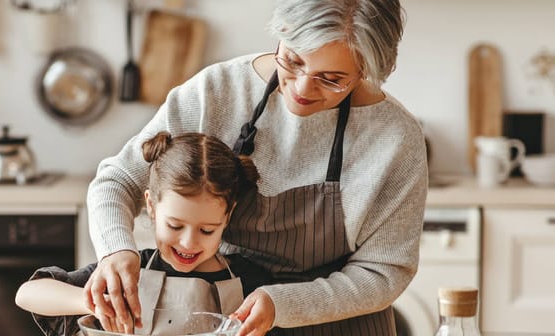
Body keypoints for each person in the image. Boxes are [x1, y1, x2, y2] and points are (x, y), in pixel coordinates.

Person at [83, 1, 428, 335]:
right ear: (281, 32)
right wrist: (115, 249)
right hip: (227, 319)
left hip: (343, 326)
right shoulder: (217, 92)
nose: (302, 88)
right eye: (292, 60)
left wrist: (282, 303)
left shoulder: (395, 138)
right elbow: (118, 180)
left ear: (367, 70)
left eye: (332, 78)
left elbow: (384, 273)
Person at [15, 131, 266, 336]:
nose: (189, 242)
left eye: (207, 230)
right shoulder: (130, 274)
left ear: (228, 216)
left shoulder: (251, 280)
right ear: (152, 207)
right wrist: (93, 302)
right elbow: (27, 294)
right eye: (175, 226)